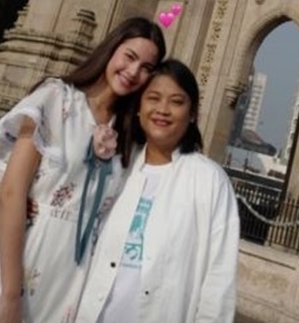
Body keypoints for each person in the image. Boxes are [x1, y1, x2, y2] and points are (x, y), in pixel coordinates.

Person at [0, 16, 166, 323]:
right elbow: (12, 193)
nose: (133, 71)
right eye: (130, 56)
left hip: (77, 278)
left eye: (146, 68)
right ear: (112, 48)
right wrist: (10, 295)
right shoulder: (56, 99)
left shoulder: (129, 134)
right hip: (26, 256)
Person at [76, 59, 240, 323]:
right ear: (139, 107)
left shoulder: (210, 181)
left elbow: (219, 279)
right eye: (153, 98)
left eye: (177, 102)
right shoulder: (119, 167)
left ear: (192, 113)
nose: (163, 110)